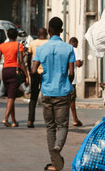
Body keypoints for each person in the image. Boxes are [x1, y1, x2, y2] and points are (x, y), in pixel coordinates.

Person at [31, 17, 75, 171]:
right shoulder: (68, 48)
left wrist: (41, 80)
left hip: (47, 92)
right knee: (62, 125)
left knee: (50, 127)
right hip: (62, 92)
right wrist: (67, 82)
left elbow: (33, 70)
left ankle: (54, 161)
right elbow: (71, 73)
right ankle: (57, 147)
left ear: (49, 30)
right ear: (61, 30)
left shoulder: (41, 49)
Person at [0, 29, 29, 127]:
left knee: (11, 95)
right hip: (15, 71)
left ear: (8, 36)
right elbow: (21, 61)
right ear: (16, 36)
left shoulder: (2, 46)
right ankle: (6, 118)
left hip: (5, 71)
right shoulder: (19, 45)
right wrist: (26, 75)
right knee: (11, 96)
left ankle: (14, 120)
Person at [26, 27, 48, 128]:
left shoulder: (33, 43)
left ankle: (30, 120)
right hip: (47, 73)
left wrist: (29, 70)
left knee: (33, 97)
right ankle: (49, 120)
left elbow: (29, 57)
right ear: (46, 33)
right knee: (47, 98)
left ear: (38, 34)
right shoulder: (49, 43)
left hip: (35, 72)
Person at [68, 37, 83, 127]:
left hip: (63, 78)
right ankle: (75, 119)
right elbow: (77, 63)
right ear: (75, 43)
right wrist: (81, 63)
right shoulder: (75, 50)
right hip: (72, 79)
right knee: (72, 100)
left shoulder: (65, 49)